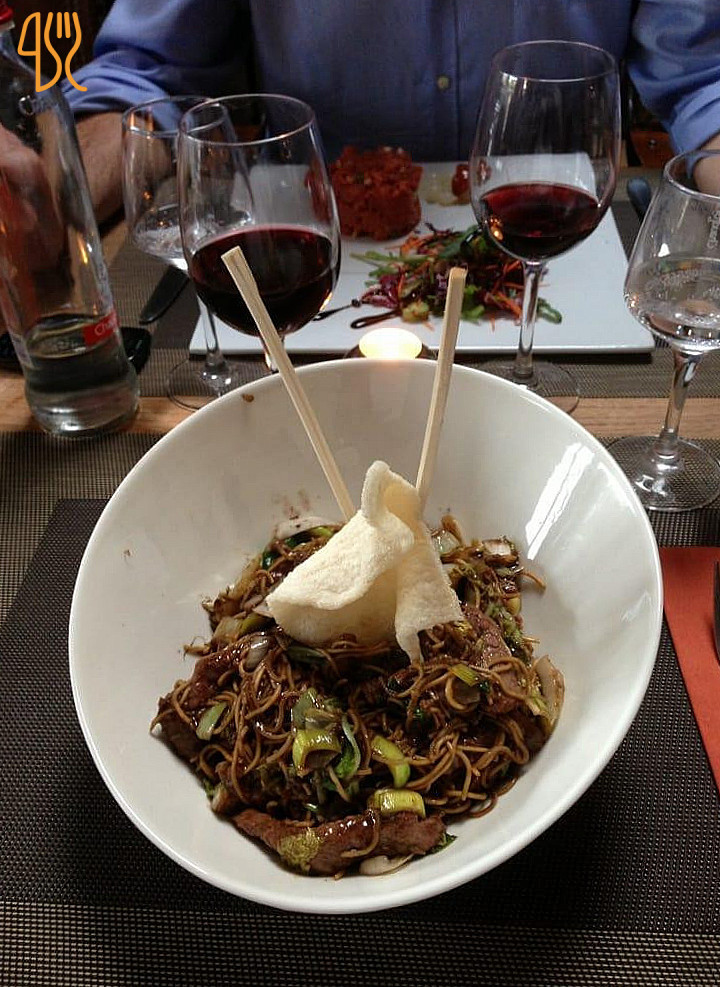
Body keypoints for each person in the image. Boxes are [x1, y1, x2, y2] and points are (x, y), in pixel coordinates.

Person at [63, 0, 720, 221]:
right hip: (309, 266)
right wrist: (57, 193)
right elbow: (147, 76)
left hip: (571, 265)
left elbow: (703, 79)